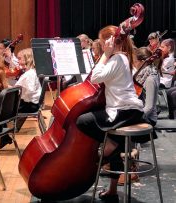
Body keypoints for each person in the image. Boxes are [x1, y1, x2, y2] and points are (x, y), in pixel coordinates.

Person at [76, 25, 144, 201]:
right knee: (114, 142)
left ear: (110, 42)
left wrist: (105, 54)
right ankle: (112, 190)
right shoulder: (124, 58)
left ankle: (110, 147)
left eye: (101, 42)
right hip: (130, 112)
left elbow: (95, 78)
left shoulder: (117, 59)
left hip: (123, 112)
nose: (99, 45)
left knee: (83, 121)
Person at [117, 47, 161, 185]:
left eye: (134, 61)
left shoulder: (150, 78)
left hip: (148, 117)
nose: (133, 64)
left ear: (142, 61)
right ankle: (116, 162)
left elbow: (149, 107)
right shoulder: (144, 74)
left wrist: (134, 116)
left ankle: (131, 169)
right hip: (141, 112)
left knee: (123, 123)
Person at [14, 48, 42, 132]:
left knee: (2, 109)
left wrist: (16, 91)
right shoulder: (31, 72)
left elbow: (29, 91)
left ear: (27, 59)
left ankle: (5, 133)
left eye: (19, 58)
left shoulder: (29, 74)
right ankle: (11, 131)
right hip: (30, 103)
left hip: (30, 105)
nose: (17, 61)